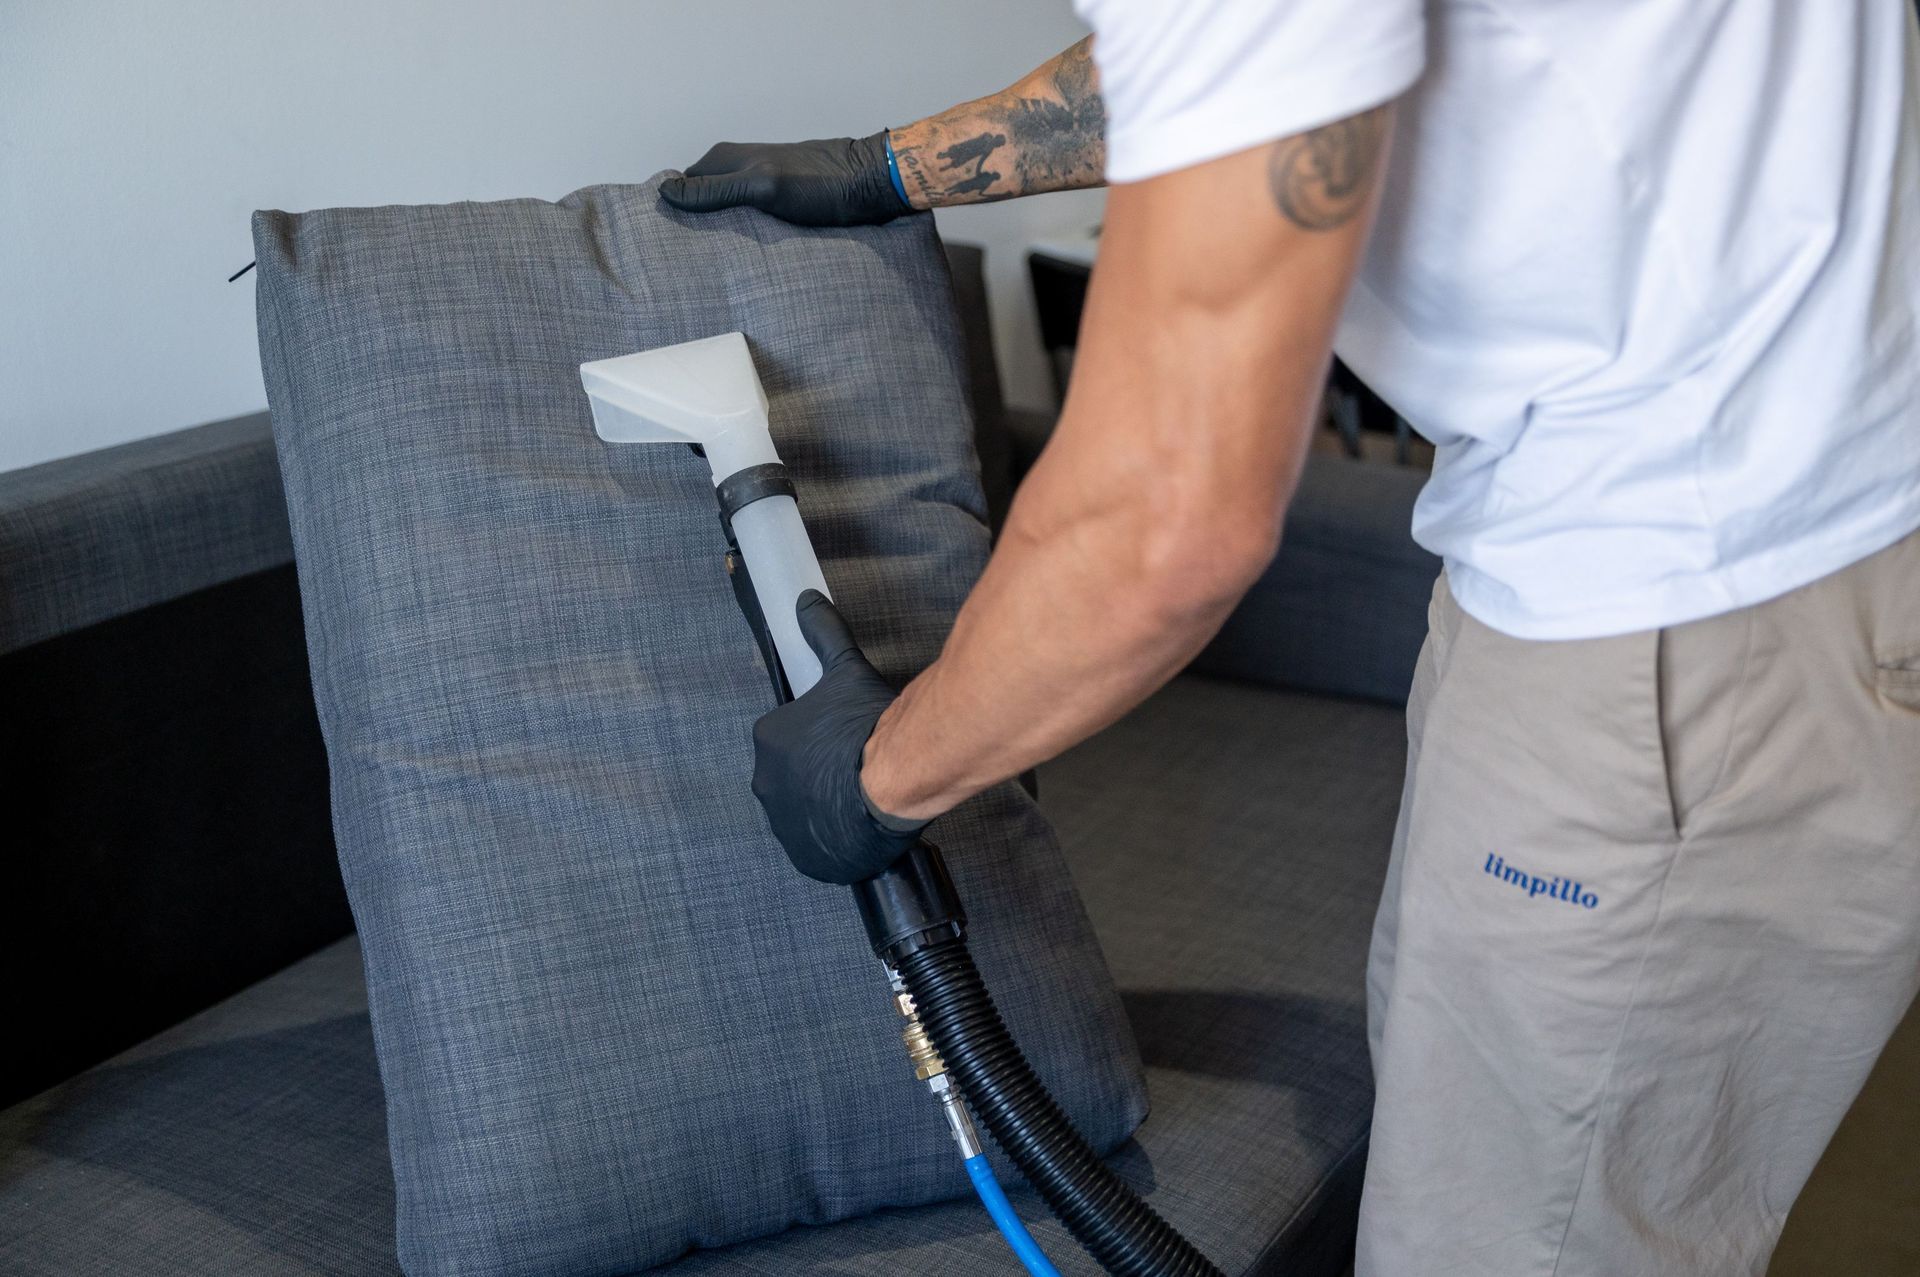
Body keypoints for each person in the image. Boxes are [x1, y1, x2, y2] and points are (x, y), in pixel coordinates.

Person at [664, 3, 1920, 1273]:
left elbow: (1164, 521)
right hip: (1791, 537)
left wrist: (880, 776)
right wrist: (900, 165)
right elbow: (1285, 52)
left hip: (1676, 619)